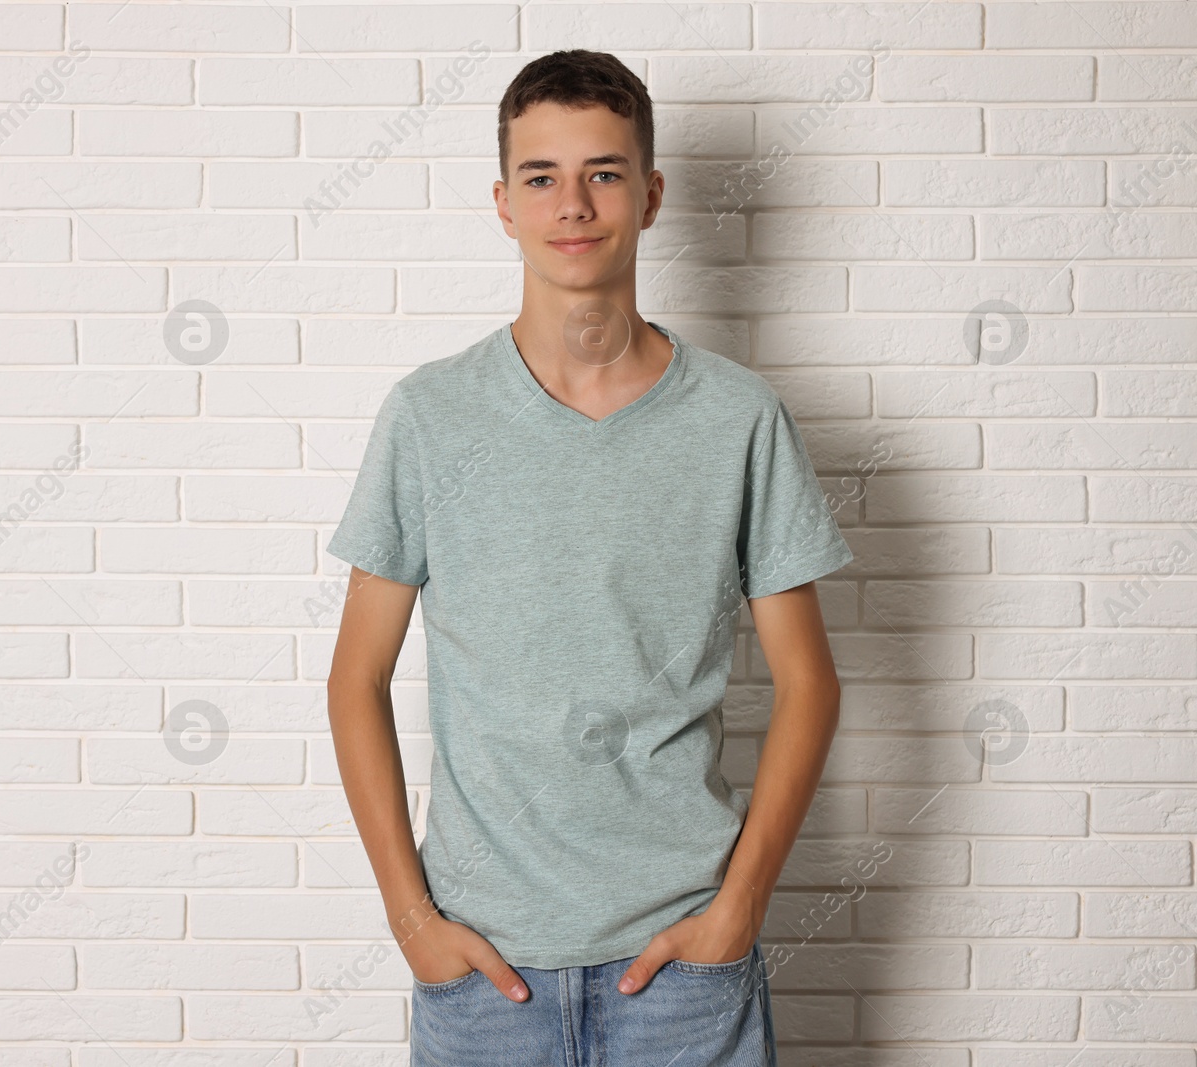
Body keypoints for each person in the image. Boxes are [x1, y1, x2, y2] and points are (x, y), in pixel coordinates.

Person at [324, 48, 853, 1066]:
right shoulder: (430, 417)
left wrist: (737, 908)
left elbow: (810, 684)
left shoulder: (741, 419)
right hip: (482, 975)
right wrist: (411, 923)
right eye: (542, 177)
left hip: (685, 973)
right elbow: (355, 679)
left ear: (650, 196)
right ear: (502, 202)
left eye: (603, 173)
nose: (573, 203)